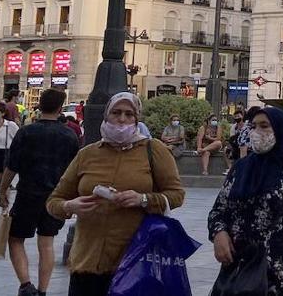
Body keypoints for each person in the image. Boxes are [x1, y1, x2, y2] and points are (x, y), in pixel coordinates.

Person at [47, 92, 185, 296]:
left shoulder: (153, 149)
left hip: (134, 262)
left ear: (137, 119)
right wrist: (69, 206)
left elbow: (176, 195)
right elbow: (54, 201)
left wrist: (143, 199)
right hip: (87, 262)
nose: (122, 119)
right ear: (106, 116)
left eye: (129, 114)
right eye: (116, 113)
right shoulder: (87, 154)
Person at [209, 106, 283, 296]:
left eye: (264, 126)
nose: (257, 132)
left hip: (280, 271)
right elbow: (219, 210)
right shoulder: (241, 168)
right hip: (240, 266)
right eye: (254, 126)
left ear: (279, 129)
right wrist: (219, 233)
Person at [0, 88, 80, 296]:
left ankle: (26, 285)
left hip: (28, 194)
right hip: (55, 197)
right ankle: (42, 291)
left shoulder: (26, 132)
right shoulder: (69, 135)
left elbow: (12, 165)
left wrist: (3, 190)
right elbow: (75, 171)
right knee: (47, 242)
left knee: (15, 239)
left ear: (39, 105)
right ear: (60, 108)